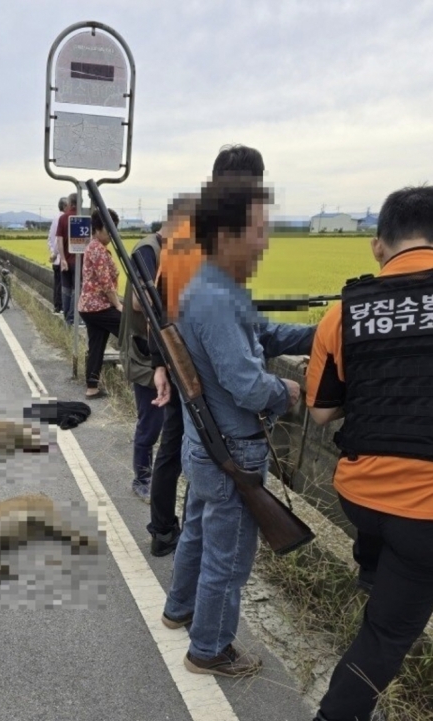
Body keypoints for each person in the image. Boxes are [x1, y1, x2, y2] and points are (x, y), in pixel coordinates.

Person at [161, 173, 315, 677]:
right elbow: (248, 385)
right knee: (227, 562)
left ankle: (179, 609)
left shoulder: (209, 286)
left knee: (199, 535)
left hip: (207, 446)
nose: (266, 239)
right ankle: (210, 649)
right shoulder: (215, 297)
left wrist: (319, 333)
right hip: (233, 451)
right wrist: (285, 391)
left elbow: (264, 334)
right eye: (258, 228)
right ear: (226, 234)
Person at [306, 185, 433, 721]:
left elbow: (320, 414)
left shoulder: (344, 312)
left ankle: (373, 575)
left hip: (360, 494)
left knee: (388, 582)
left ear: (379, 246)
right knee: (386, 636)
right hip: (422, 509)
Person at [147, 145, 266, 557]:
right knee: (206, 462)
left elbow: (158, 302)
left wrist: (160, 361)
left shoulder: (180, 231)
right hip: (207, 365)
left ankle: (166, 532)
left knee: (183, 450)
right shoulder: (218, 234)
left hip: (182, 357)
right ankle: (172, 536)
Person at [119, 225, 164, 503]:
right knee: (151, 421)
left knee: (166, 423)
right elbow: (139, 302)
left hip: (163, 352)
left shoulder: (168, 252)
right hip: (145, 353)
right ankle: (142, 479)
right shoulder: (147, 251)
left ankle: (156, 477)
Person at [78, 209, 122, 399]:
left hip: (89, 308)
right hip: (99, 307)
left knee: (97, 344)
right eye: (108, 230)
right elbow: (106, 284)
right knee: (132, 331)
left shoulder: (94, 247)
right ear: (97, 229)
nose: (112, 234)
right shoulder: (97, 249)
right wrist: (118, 305)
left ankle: (92, 387)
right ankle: (149, 372)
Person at [56, 193, 79, 325]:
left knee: (65, 289)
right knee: (76, 290)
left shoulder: (63, 218)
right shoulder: (84, 218)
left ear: (70, 203)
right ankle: (71, 319)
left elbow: (59, 239)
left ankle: (67, 317)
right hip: (79, 262)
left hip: (65, 262)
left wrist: (63, 259)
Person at [47, 197, 67, 314]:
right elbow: (57, 240)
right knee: (63, 285)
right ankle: (60, 307)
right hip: (60, 258)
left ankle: (58, 307)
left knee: (58, 284)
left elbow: (50, 238)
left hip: (57, 259)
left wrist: (52, 253)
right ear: (65, 206)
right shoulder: (63, 218)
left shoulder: (55, 218)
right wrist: (55, 254)